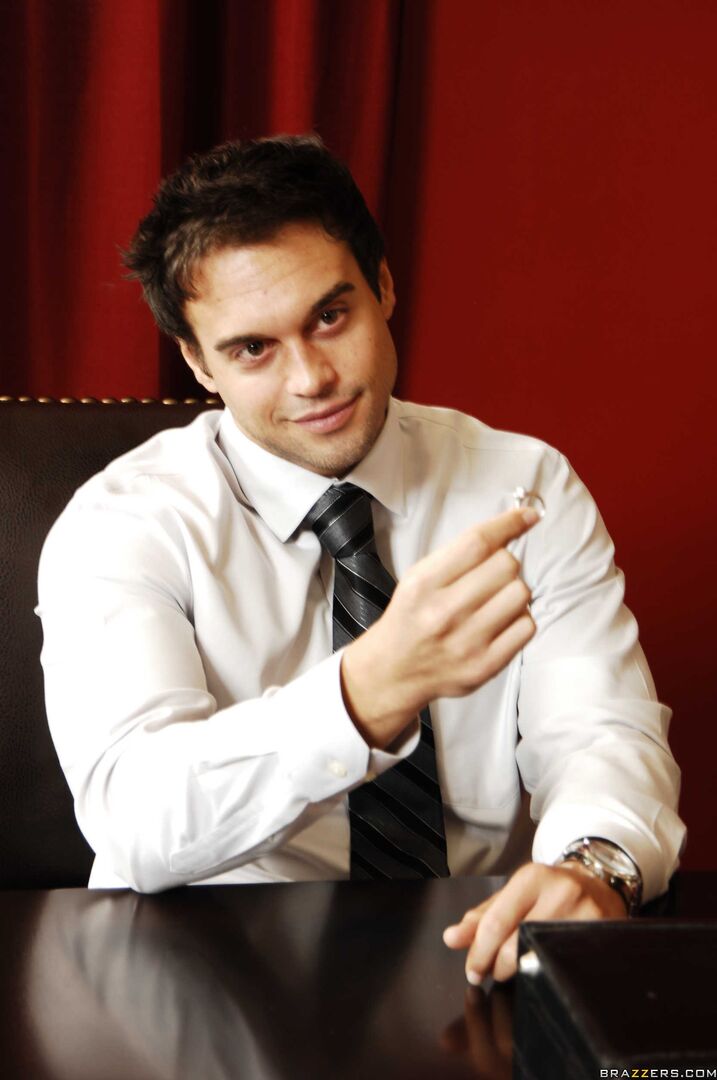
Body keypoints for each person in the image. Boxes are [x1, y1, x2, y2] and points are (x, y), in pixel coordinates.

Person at [37, 134, 685, 984]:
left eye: (329, 317)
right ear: (197, 362)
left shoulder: (522, 485)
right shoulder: (122, 523)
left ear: (382, 287)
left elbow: (600, 730)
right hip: (202, 971)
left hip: (472, 953)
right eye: (252, 349)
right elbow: (134, 818)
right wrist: (368, 692)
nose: (311, 378)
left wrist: (593, 868)